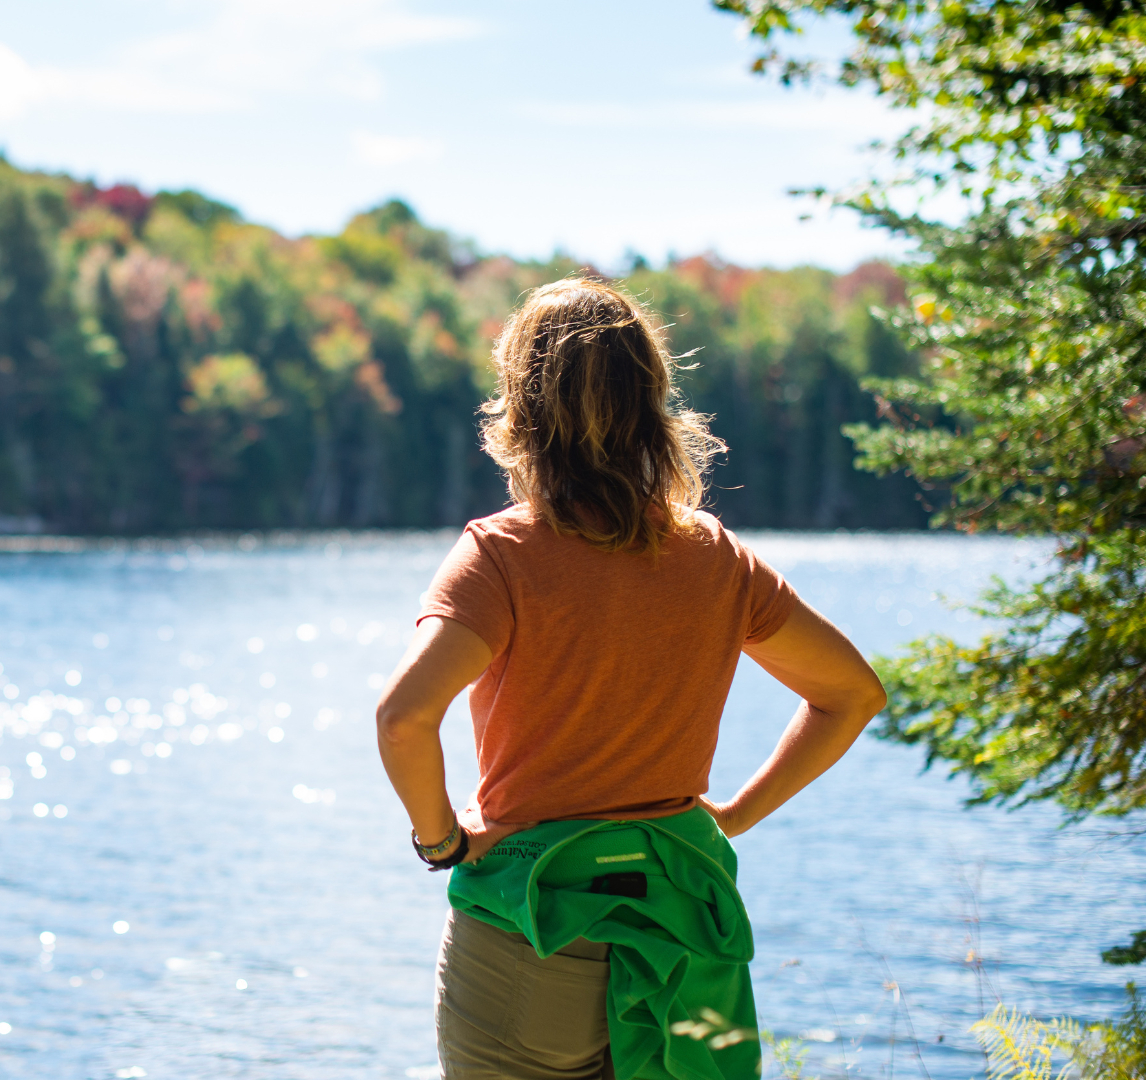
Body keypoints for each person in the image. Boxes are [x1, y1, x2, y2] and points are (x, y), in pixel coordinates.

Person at [376, 277, 887, 1080]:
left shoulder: (500, 558)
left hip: (534, 932)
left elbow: (405, 717)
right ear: (653, 401)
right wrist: (735, 816)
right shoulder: (713, 555)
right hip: (683, 924)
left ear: (521, 405)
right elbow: (853, 693)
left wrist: (443, 841)